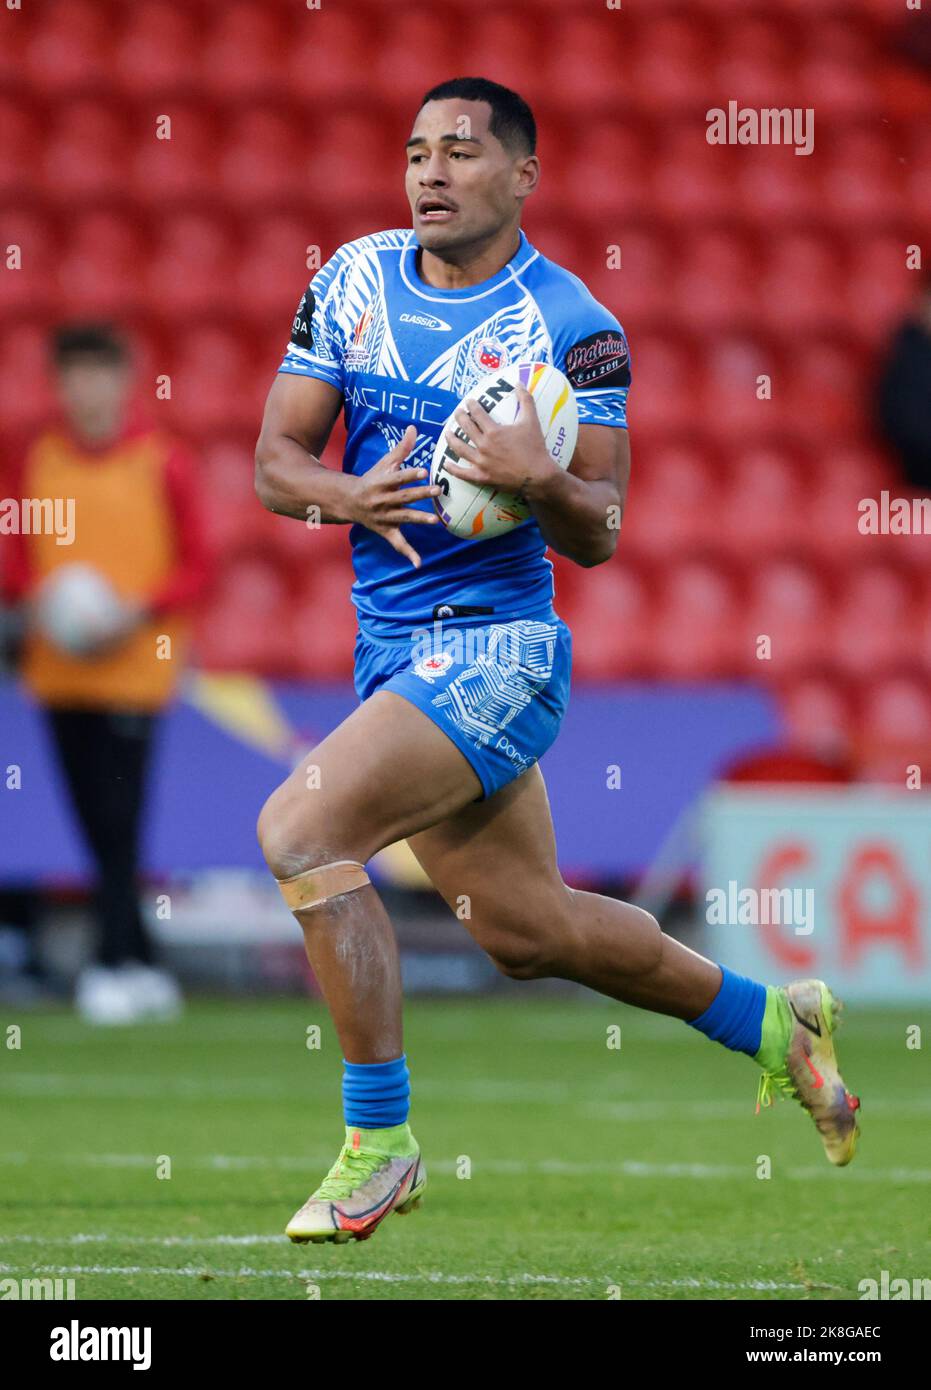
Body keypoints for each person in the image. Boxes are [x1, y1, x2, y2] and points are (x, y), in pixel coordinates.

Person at [254, 77, 860, 1245]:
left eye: (461, 153)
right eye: (416, 151)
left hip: (503, 650)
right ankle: (776, 1022)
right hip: (392, 654)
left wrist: (537, 474)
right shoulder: (351, 282)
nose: (429, 173)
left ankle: (380, 1144)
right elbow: (277, 458)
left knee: (299, 831)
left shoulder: (572, 328)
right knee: (528, 931)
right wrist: (342, 492)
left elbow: (603, 528)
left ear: (523, 176)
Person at [4, 323, 210, 1024]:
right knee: (93, 824)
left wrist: (136, 610)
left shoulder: (161, 460)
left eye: (99, 374)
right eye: (73, 375)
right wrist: (40, 600)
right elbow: (15, 558)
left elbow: (197, 565)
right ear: (58, 382)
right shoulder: (36, 460)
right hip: (58, 673)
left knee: (120, 820)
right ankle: (146, 964)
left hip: (134, 675)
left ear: (124, 380)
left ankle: (110, 963)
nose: (86, 389)